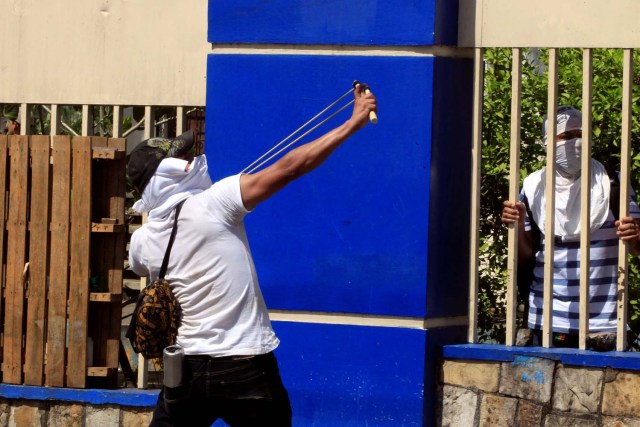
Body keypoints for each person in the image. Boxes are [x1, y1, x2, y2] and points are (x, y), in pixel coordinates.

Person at [126, 84, 377, 426]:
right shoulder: (215, 202)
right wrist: (352, 123)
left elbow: (144, 260)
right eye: (178, 158)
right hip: (246, 366)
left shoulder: (142, 242)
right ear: (165, 174)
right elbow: (290, 167)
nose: (189, 159)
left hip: (185, 370)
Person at [501, 106, 640, 351]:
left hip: (604, 321)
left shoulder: (614, 183)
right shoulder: (533, 187)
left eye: (581, 134)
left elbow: (636, 249)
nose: (576, 141)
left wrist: (634, 235)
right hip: (547, 318)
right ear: (547, 142)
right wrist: (517, 225)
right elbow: (523, 255)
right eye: (566, 136)